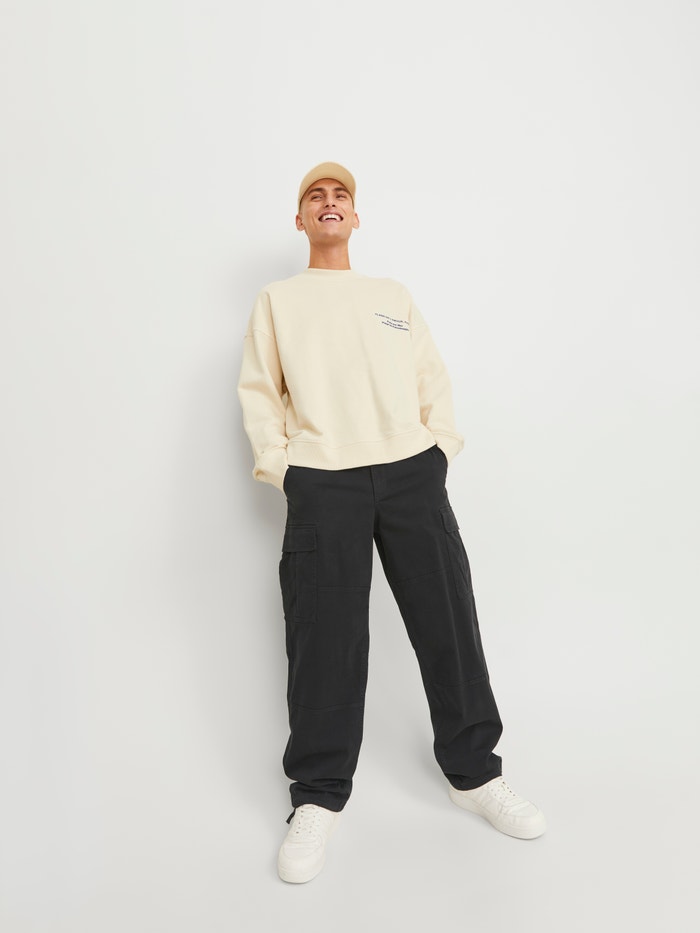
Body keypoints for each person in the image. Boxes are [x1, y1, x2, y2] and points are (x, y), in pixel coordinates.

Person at [237, 162, 546, 884]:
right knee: (324, 637)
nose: (330, 202)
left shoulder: (391, 296)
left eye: (341, 194)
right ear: (300, 220)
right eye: (316, 196)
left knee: (448, 620)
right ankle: (318, 795)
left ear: (355, 216)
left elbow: (431, 377)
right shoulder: (278, 300)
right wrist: (287, 470)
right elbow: (259, 393)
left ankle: (474, 773)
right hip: (323, 478)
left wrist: (438, 450)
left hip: (410, 471)